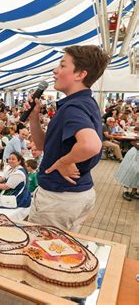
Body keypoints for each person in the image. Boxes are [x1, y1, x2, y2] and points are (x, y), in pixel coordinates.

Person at [26, 45, 110, 232]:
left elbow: (91, 145)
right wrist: (33, 118)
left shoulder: (73, 108)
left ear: (80, 74)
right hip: (75, 194)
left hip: (59, 199)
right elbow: (42, 145)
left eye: (63, 65)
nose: (55, 70)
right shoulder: (84, 103)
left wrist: (65, 161)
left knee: (45, 253)